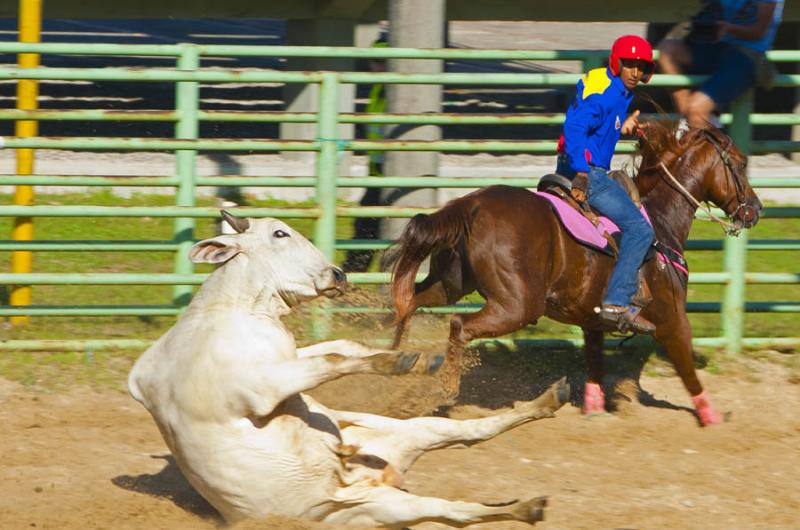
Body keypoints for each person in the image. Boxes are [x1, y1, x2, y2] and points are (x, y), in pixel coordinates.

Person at [555, 34, 656, 334]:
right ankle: (616, 302)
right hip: (590, 173)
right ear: (617, 63)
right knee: (640, 230)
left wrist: (622, 127)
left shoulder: (611, 88)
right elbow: (574, 126)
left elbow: (595, 125)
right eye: (630, 65)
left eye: (641, 66)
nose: (636, 72)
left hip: (578, 164)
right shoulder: (608, 94)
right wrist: (583, 173)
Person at [658, 0, 784, 130]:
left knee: (696, 109)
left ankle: (697, 128)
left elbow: (758, 31)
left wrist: (729, 28)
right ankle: (689, 121)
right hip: (717, 50)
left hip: (746, 56)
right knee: (667, 49)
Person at [343, 38, 388, 272]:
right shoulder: (379, 89)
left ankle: (353, 286)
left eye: (381, 62)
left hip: (389, 176)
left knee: (368, 233)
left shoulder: (393, 90)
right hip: (377, 175)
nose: (375, 67)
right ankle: (351, 286)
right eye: (373, 61)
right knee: (364, 233)